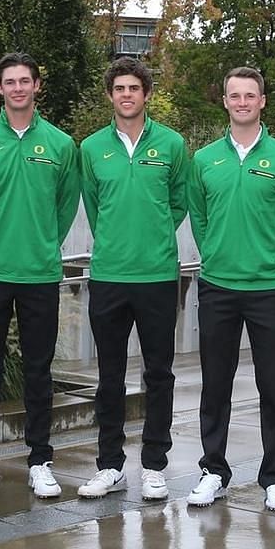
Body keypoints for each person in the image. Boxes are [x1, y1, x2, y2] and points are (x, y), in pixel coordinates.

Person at [0, 53, 82, 499]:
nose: (17, 88)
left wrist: (44, 241)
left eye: (24, 81)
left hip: (39, 273)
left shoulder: (60, 145)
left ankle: (39, 459)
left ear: (36, 86)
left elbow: (66, 204)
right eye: (9, 81)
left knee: (38, 371)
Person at [186, 67, 275, 510]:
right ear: (225, 102)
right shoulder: (204, 160)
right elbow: (197, 215)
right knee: (215, 384)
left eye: (249, 95)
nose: (242, 102)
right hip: (218, 285)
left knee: (274, 385)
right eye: (234, 95)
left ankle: (274, 476)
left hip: (267, 287)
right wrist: (213, 252)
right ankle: (213, 470)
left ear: (262, 101)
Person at [76, 57, 189, 501]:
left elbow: (178, 202)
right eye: (119, 88)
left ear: (146, 95)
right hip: (109, 275)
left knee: (159, 373)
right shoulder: (91, 149)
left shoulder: (172, 144)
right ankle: (110, 465)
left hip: (157, 274)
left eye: (134, 89)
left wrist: (154, 234)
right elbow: (92, 201)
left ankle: (155, 465)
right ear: (111, 95)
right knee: (110, 376)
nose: (127, 95)